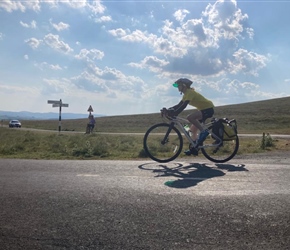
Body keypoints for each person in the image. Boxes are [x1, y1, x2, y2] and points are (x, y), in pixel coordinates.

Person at [166, 78, 214, 155]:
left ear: (184, 86)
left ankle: (204, 131)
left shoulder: (190, 92)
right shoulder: (186, 94)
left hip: (208, 109)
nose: (177, 87)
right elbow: (179, 105)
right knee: (192, 131)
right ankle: (195, 148)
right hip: (203, 110)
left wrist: (175, 113)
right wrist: (169, 110)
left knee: (190, 117)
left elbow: (184, 105)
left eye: (178, 85)